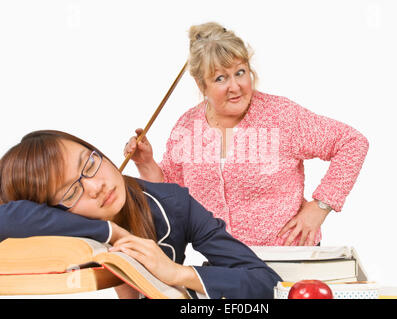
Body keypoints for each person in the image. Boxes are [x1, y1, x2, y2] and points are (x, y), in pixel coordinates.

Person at [124, 22, 369, 247]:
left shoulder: (280, 115)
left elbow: (351, 142)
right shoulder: (187, 128)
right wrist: (145, 163)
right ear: (202, 85)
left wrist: (321, 205)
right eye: (220, 78)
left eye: (240, 72)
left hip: (288, 261)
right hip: (225, 264)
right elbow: (172, 194)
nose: (235, 86)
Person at [0, 130, 281, 299]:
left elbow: (265, 282)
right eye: (71, 192)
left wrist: (177, 273)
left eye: (89, 163)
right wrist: (111, 233)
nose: (96, 187)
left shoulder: (174, 203)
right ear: (46, 210)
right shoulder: (48, 228)